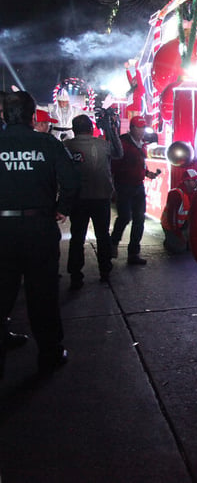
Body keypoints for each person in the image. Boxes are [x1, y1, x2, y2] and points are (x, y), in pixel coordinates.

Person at [0, 91, 79, 378]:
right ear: (33, 116)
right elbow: (71, 180)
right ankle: (50, 353)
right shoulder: (47, 143)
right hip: (38, 228)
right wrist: (62, 208)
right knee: (43, 294)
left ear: (3, 116)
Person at [63, 113, 123, 289]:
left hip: (78, 199)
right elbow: (119, 153)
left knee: (77, 238)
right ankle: (105, 271)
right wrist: (111, 130)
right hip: (101, 197)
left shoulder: (66, 146)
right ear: (91, 128)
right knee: (102, 235)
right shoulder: (102, 145)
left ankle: (75, 275)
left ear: (74, 130)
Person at [110, 116, 160, 265]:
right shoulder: (123, 143)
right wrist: (112, 187)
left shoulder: (142, 145)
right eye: (139, 127)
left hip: (138, 185)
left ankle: (133, 253)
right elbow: (114, 165)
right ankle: (113, 243)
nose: (141, 131)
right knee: (125, 217)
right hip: (124, 186)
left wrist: (147, 173)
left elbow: (140, 164)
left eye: (143, 127)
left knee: (139, 219)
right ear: (131, 128)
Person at [161, 168, 197, 255]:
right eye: (194, 180)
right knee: (179, 249)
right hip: (171, 227)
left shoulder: (194, 193)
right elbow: (172, 217)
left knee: (192, 248)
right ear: (186, 182)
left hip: (183, 225)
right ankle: (169, 241)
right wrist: (177, 233)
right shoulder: (176, 194)